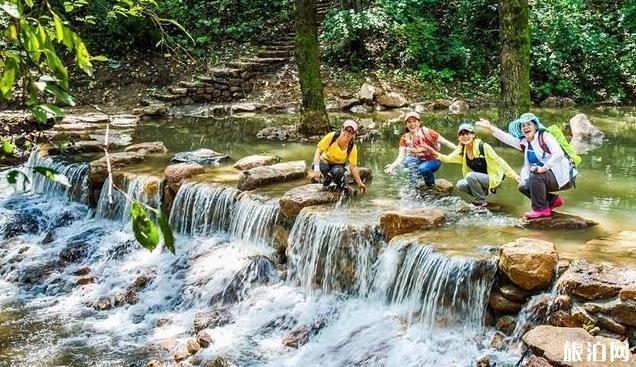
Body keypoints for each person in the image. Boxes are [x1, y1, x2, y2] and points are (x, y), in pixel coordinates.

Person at [476, 113, 577, 219]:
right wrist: (489, 127)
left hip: (564, 178)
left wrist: (543, 168)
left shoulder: (545, 136)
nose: (526, 127)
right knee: (523, 186)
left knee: (535, 174)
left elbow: (559, 154)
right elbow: (506, 138)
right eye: (523, 125)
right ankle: (552, 201)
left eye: (529, 124)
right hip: (545, 176)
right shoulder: (524, 142)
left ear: (536, 126)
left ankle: (540, 209)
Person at [422, 122, 519, 207]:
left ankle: (481, 201)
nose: (465, 136)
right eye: (462, 134)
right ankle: (482, 194)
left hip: (493, 178)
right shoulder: (461, 150)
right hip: (479, 179)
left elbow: (499, 161)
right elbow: (447, 159)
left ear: (473, 135)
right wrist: (432, 151)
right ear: (459, 137)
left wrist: (515, 176)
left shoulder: (483, 146)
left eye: (467, 133)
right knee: (461, 184)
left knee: (469, 175)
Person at [384, 111, 456, 187]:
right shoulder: (405, 138)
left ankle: (431, 187)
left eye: (415, 121)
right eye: (409, 122)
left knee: (423, 168)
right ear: (406, 124)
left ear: (419, 122)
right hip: (419, 160)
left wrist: (457, 148)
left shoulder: (428, 132)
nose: (412, 124)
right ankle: (413, 186)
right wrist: (393, 165)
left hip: (434, 160)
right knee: (407, 161)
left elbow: (445, 142)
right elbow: (401, 156)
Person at [312, 120, 367, 193]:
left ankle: (340, 184)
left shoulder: (352, 148)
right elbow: (318, 152)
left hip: (337, 166)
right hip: (324, 161)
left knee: (339, 171)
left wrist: (359, 183)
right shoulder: (331, 137)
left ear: (354, 135)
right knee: (322, 167)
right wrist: (316, 169)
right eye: (346, 130)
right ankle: (326, 182)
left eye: (351, 132)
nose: (347, 133)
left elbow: (353, 167)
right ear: (342, 129)